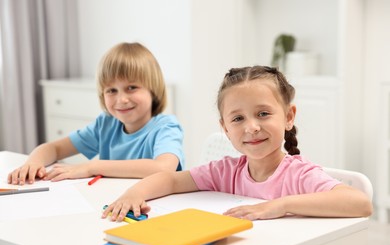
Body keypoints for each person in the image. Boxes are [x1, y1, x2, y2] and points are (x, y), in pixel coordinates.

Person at [102, 65, 372, 222]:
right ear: (225, 128)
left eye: (263, 114)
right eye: (238, 118)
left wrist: (280, 204)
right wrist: (134, 194)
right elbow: (171, 180)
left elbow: (360, 203)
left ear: (289, 117)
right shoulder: (225, 171)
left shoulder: (299, 174)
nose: (251, 127)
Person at [8, 42, 184, 185]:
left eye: (132, 88)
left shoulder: (166, 126)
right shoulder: (106, 124)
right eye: (111, 91)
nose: (121, 99)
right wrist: (33, 163)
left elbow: (164, 168)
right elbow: (54, 148)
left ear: (153, 89)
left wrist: (93, 166)